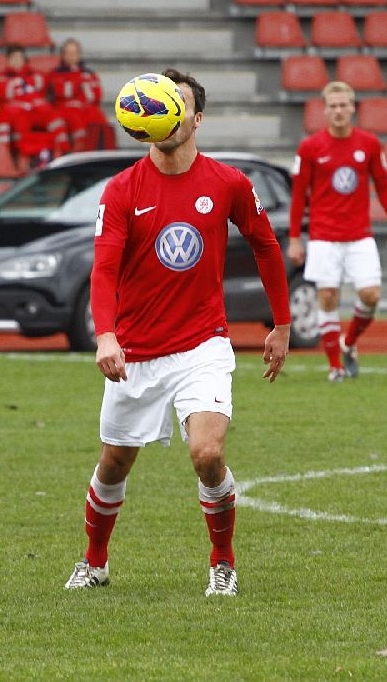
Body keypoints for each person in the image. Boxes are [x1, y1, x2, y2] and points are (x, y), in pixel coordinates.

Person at [63, 68, 292, 596]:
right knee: (115, 462)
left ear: (196, 118)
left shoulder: (229, 183)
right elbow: (103, 267)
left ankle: (223, 563)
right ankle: (94, 562)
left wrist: (281, 323)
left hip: (202, 344)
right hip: (137, 351)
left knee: (208, 454)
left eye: (178, 103)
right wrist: (105, 334)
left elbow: (266, 245)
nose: (166, 111)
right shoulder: (122, 190)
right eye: (158, 102)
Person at [286, 80, 387, 382]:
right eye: (333, 106)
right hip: (324, 235)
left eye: (344, 105)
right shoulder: (310, 147)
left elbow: (384, 186)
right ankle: (334, 367)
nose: (339, 111)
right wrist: (293, 238)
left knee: (370, 294)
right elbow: (299, 194)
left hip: (358, 235)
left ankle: (349, 343)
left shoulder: (369, 144)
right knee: (327, 297)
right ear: (325, 110)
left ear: (352, 108)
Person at [0, 43, 69, 169]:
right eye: (14, 58)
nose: (17, 61)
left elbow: (41, 94)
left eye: (20, 58)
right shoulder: (2, 77)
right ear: (8, 61)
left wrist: (35, 104)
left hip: (35, 110)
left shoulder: (36, 75)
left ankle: (62, 153)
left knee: (54, 116)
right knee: (19, 118)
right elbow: (3, 96)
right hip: (16, 113)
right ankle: (17, 159)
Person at [47, 37, 114, 152]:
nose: (71, 56)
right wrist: (79, 85)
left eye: (74, 53)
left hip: (86, 108)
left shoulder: (89, 73)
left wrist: (78, 86)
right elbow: (61, 93)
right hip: (64, 109)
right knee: (76, 120)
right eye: (68, 53)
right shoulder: (56, 73)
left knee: (101, 120)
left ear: (79, 55)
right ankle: (76, 153)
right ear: (62, 55)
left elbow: (96, 95)